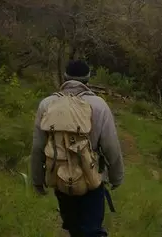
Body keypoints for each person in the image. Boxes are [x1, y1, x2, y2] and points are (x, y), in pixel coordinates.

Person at [31, 59, 124, 236]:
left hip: (60, 178)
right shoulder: (99, 105)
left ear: (65, 78)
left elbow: (38, 148)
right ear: (88, 80)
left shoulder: (47, 104)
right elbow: (111, 147)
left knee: (74, 228)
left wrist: (37, 180)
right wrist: (116, 177)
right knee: (92, 230)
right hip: (92, 179)